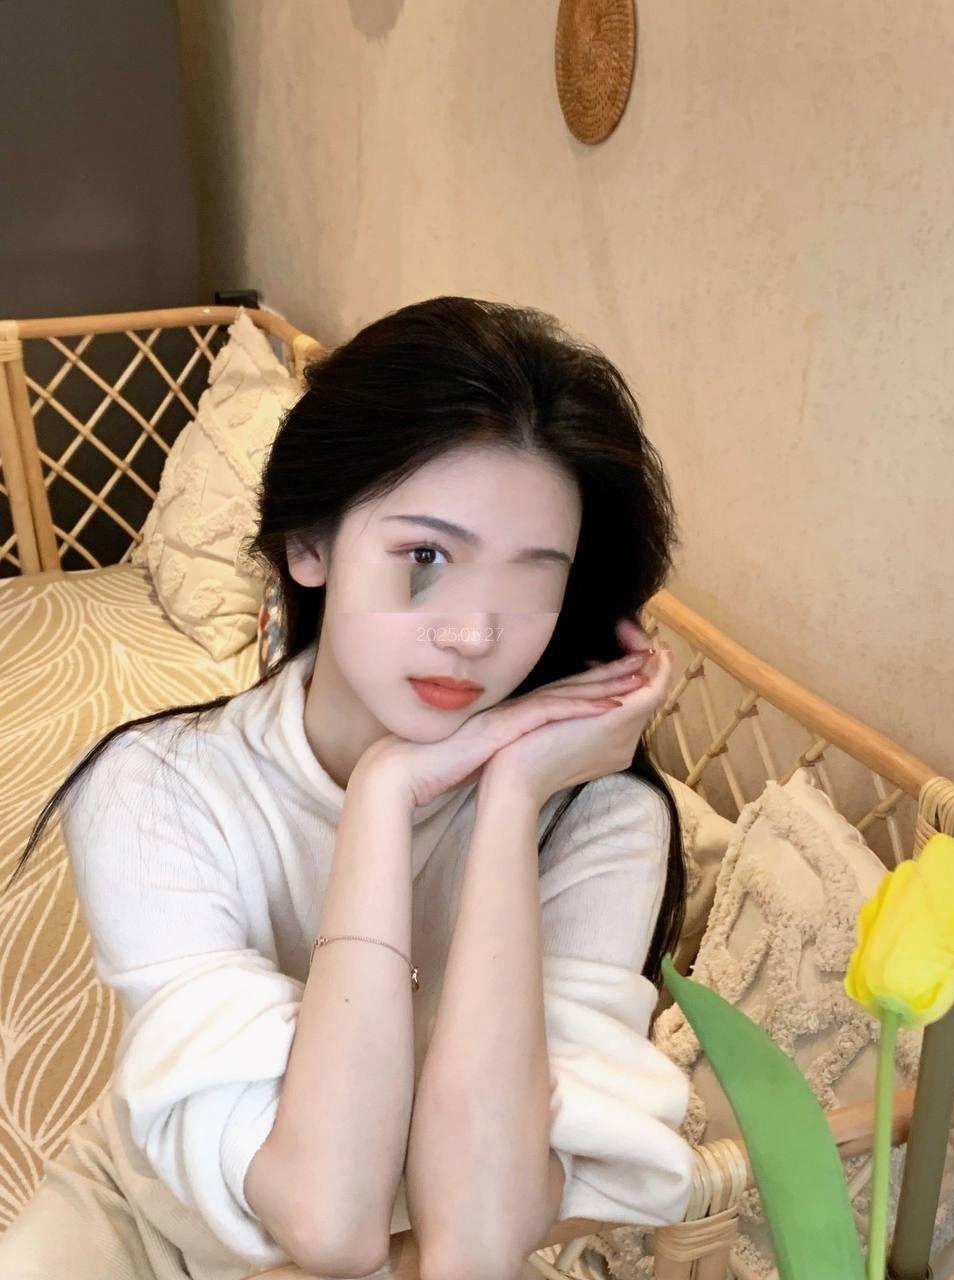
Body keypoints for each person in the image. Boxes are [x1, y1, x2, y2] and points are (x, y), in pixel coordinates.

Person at [0, 296, 693, 1280]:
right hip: (147, 1226)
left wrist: (506, 800)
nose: (474, 634)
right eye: (426, 557)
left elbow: (470, 1244)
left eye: (532, 576)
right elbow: (320, 1210)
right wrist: (384, 794)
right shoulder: (151, 786)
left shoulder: (597, 814)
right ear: (310, 544)